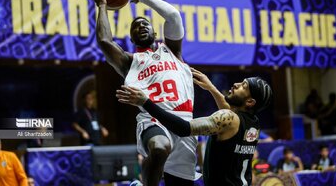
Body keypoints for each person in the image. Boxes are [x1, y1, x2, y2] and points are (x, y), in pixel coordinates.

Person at [91, 0, 197, 186]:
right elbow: (105, 42)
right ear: (131, 38)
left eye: (144, 24)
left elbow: (174, 16)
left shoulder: (172, 51)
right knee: (159, 147)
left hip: (185, 123)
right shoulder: (129, 61)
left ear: (155, 33)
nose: (140, 26)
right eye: (135, 26)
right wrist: (102, 6)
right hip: (153, 120)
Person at [116, 68, 273, 185]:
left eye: (243, 86)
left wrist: (146, 103)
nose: (236, 84)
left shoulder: (230, 119)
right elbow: (228, 110)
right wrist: (211, 87)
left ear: (250, 102)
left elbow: (184, 129)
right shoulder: (253, 123)